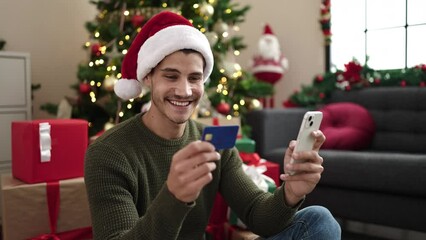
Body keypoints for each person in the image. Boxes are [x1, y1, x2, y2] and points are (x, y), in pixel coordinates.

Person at [84, 11, 341, 240]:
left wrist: (291, 193)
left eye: (194, 78)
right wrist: (174, 196)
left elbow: (258, 216)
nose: (184, 91)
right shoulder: (108, 152)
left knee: (319, 220)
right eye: (171, 76)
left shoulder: (214, 143)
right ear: (149, 77)